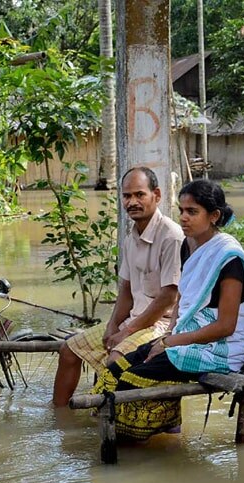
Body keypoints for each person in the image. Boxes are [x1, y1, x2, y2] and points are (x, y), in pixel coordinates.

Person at [96, 179, 244, 440]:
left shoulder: (229, 258)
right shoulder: (188, 245)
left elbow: (226, 326)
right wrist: (167, 336)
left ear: (214, 216)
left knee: (131, 380)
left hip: (222, 348)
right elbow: (183, 298)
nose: (183, 217)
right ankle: (140, 437)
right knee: (114, 371)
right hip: (188, 336)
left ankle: (134, 443)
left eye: (192, 212)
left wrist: (171, 342)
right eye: (181, 210)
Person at [52, 167, 186, 407]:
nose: (132, 202)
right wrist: (113, 325)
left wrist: (125, 332)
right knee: (69, 349)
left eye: (139, 195)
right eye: (127, 196)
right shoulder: (130, 238)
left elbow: (168, 297)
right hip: (135, 320)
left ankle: (108, 420)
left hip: (162, 324)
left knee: (115, 359)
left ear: (156, 195)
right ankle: (59, 417)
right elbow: (126, 289)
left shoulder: (171, 236)